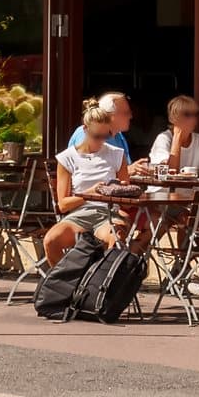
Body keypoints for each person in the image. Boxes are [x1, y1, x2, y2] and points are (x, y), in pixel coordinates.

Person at [44, 100, 132, 271]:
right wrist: (90, 193)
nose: (101, 141)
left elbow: (126, 198)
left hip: (107, 212)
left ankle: (100, 287)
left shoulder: (116, 155)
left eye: (105, 136)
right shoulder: (67, 158)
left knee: (116, 240)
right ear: (85, 129)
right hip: (79, 214)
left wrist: (117, 191)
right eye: (96, 136)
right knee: (51, 241)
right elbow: (63, 205)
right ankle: (68, 283)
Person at [144, 95, 199, 175]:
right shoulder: (163, 139)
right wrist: (177, 135)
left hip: (191, 187)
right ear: (175, 117)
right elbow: (170, 173)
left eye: (196, 114)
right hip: (165, 187)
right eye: (187, 114)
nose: (194, 119)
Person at [68, 91, 134, 162]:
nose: (130, 116)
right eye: (126, 113)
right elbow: (87, 167)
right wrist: (128, 170)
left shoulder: (119, 136)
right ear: (111, 115)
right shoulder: (86, 132)